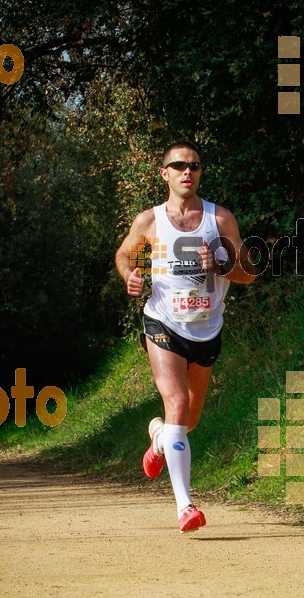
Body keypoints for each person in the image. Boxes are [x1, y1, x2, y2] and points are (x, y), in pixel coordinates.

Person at [115, 141, 255, 532]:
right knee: (176, 403)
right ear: (165, 173)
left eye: (193, 166)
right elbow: (125, 255)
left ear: (199, 173)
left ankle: (159, 435)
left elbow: (248, 272)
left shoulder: (220, 219)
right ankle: (185, 506)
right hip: (163, 322)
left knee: (187, 419)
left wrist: (224, 265)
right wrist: (131, 276)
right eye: (178, 166)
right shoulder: (150, 221)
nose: (186, 171)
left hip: (206, 329)